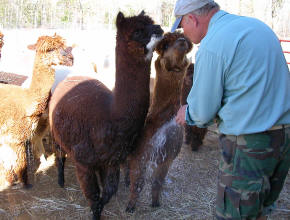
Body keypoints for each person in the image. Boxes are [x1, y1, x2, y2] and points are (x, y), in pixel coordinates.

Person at [171, 0, 290, 219]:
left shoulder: (212, 45)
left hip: (250, 146)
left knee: (234, 214)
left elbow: (203, 112)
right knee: (261, 209)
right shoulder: (256, 27)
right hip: (283, 140)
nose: (184, 32)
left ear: (192, 19)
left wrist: (186, 112)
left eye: (182, 26)